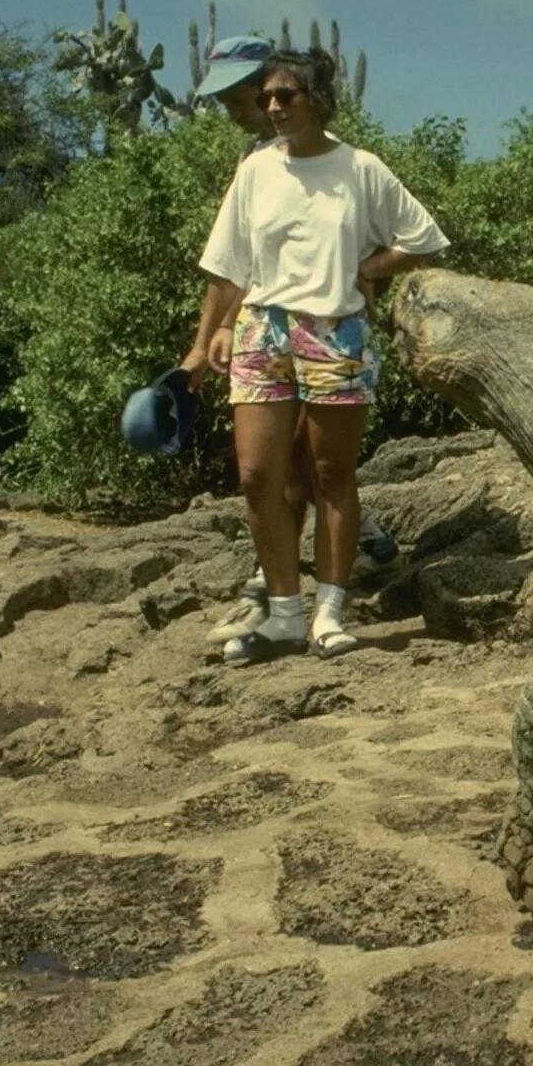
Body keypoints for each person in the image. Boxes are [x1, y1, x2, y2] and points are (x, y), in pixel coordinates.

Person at [186, 47, 448, 664]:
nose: (272, 106)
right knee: (257, 477)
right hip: (263, 330)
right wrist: (202, 345)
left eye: (286, 96)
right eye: (267, 97)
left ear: (318, 100)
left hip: (335, 331)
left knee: (331, 474)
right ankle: (283, 614)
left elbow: (423, 238)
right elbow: (228, 267)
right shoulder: (256, 170)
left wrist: (365, 268)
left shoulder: (361, 169)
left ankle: (330, 610)